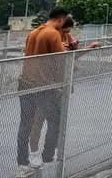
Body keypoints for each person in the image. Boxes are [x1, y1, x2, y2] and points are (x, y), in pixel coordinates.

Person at [15, 8, 70, 175]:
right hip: (42, 85)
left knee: (25, 123)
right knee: (55, 120)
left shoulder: (34, 32)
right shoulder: (52, 33)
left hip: (25, 82)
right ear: (60, 20)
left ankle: (23, 161)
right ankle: (47, 156)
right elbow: (62, 60)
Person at [28, 15, 78, 161]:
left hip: (60, 87)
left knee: (57, 122)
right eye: (64, 31)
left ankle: (50, 153)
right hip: (45, 87)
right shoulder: (46, 36)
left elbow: (70, 58)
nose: (66, 34)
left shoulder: (66, 37)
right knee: (38, 120)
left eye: (68, 32)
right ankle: (34, 153)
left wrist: (75, 49)